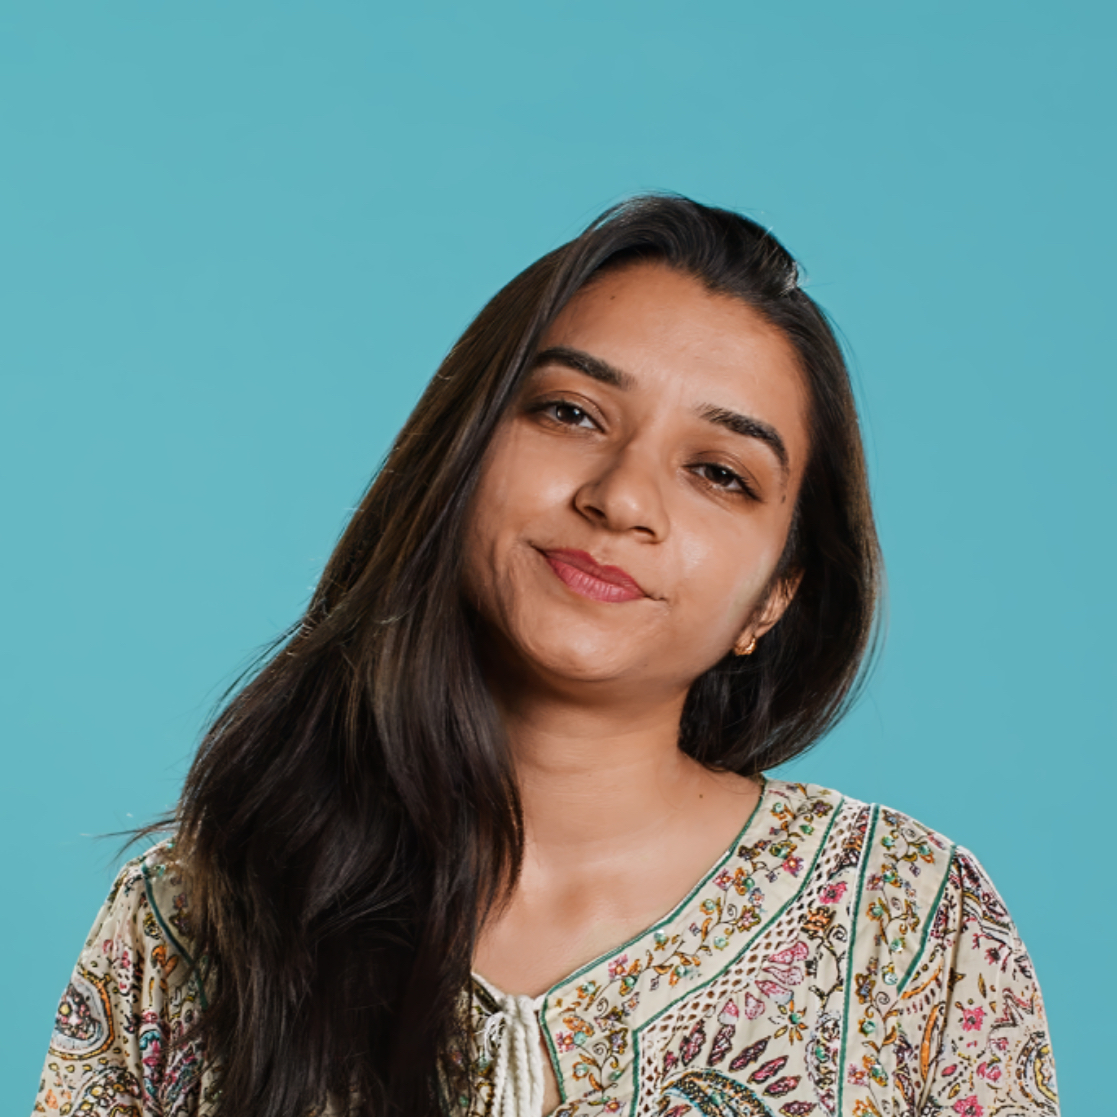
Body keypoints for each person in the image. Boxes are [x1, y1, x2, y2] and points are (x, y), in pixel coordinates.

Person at [31, 195, 1059, 1117]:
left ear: (775, 597)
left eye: (718, 472)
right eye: (570, 413)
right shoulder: (194, 912)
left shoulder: (907, 924)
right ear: (463, 452)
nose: (620, 498)